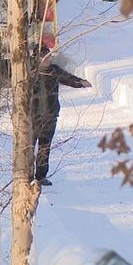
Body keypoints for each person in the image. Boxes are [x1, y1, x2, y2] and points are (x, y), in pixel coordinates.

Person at [31, 48, 92, 186]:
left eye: (48, 57)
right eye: (44, 57)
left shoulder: (54, 70)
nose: (47, 60)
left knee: (44, 147)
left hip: (50, 115)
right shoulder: (31, 72)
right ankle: (26, 177)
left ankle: (40, 176)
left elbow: (68, 78)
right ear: (37, 58)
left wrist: (81, 83)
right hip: (32, 117)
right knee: (29, 147)